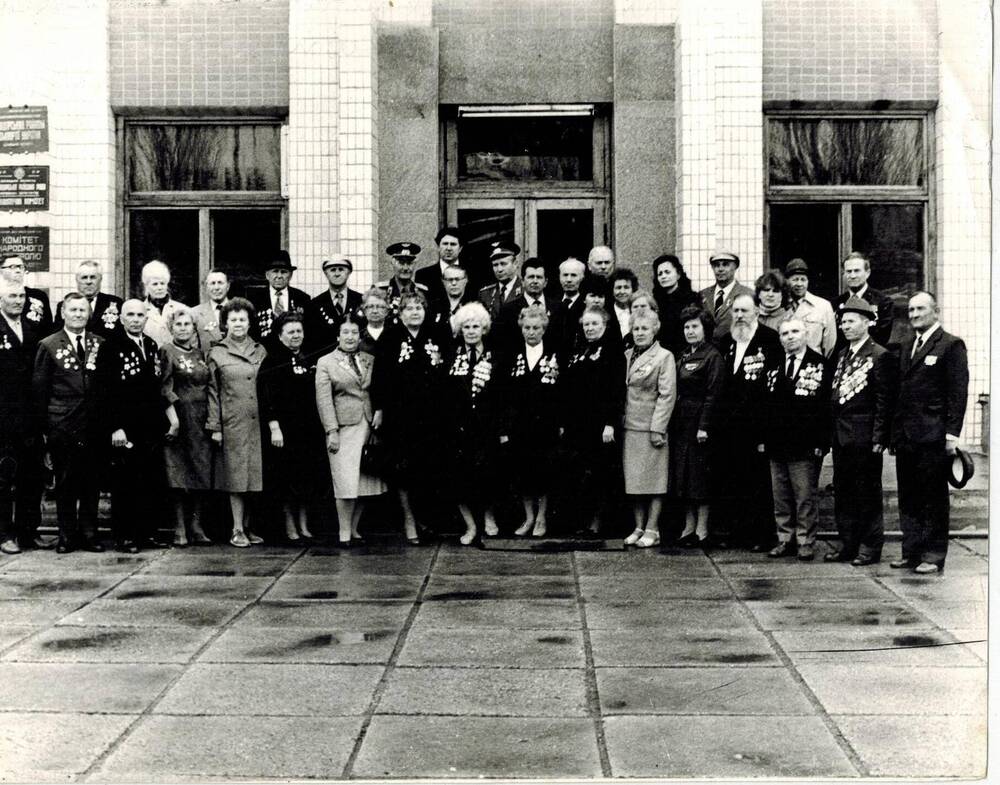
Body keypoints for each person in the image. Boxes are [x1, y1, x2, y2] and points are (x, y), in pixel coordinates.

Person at [890, 291, 968, 575]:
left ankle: (934, 555)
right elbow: (901, 392)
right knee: (908, 496)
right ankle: (911, 552)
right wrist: (894, 434)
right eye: (910, 310)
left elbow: (957, 393)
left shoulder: (950, 345)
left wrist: (951, 434)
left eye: (921, 309)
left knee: (933, 498)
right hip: (907, 437)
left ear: (936, 311)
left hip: (933, 436)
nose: (914, 314)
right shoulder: (908, 344)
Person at [371, 290, 448, 544]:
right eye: (409, 308)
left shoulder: (436, 335)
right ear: (400, 313)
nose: (415, 312)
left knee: (427, 468)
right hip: (400, 415)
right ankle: (408, 520)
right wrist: (380, 409)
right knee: (403, 469)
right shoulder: (390, 337)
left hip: (432, 415)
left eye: (419, 307)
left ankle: (424, 518)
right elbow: (380, 376)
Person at [32, 293, 106, 553]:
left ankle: (89, 533)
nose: (77, 314)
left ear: (89, 314)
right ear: (63, 312)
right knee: (65, 483)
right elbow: (40, 391)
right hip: (62, 425)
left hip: (92, 426)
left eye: (82, 310)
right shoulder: (49, 344)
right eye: (72, 310)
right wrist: (45, 429)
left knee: (91, 482)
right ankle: (66, 535)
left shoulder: (99, 343)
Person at [826, 296, 893, 566]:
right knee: (844, 493)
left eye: (851, 322)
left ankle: (870, 545)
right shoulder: (842, 355)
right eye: (842, 322)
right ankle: (849, 543)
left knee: (866, 493)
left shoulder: (879, 355)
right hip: (842, 437)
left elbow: (883, 401)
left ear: (867, 323)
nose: (845, 327)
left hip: (865, 438)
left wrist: (879, 438)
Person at [712, 293, 782, 550]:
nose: (739, 315)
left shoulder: (770, 340)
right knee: (732, 480)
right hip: (729, 426)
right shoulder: (726, 340)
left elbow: (773, 386)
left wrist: (767, 430)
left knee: (758, 483)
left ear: (756, 312)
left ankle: (761, 536)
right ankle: (735, 533)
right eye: (736, 311)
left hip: (756, 425)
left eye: (744, 310)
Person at [103, 299, 170, 552]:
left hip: (149, 426)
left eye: (139, 315)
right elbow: (106, 390)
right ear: (121, 318)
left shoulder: (151, 345)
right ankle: (125, 536)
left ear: (146, 318)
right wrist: (115, 426)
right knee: (125, 482)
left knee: (149, 481)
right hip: (125, 427)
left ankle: (146, 533)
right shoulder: (111, 346)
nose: (134, 319)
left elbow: (155, 387)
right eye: (129, 315)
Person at [762, 318, 831, 561]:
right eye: (784, 333)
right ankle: (784, 538)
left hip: (804, 444)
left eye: (794, 332)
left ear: (806, 334)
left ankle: (805, 540)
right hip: (777, 443)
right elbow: (765, 405)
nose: (789, 337)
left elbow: (824, 408)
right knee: (780, 495)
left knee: (804, 496)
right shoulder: (773, 364)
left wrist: (822, 443)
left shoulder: (820, 364)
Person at [258, 312, 328, 543]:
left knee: (307, 478)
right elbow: (266, 397)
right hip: (285, 430)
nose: (296, 336)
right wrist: (274, 427)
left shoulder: (309, 357)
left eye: (299, 331)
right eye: (290, 332)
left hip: (309, 428)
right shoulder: (273, 360)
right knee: (287, 479)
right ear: (279, 335)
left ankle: (304, 524)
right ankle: (290, 525)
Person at [315, 319, 386, 546]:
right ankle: (343, 533)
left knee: (364, 481)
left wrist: (379, 411)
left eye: (354, 332)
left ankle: (354, 529)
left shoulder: (369, 360)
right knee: (344, 481)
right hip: (343, 428)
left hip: (368, 425)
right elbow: (324, 400)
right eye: (345, 332)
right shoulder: (326, 362)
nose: (350, 337)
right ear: (337, 337)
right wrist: (331, 431)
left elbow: (379, 389)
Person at [206, 297, 268, 548]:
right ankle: (236, 529)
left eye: (243, 319)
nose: (238, 324)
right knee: (236, 478)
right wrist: (215, 426)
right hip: (233, 423)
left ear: (250, 322)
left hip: (258, 424)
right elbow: (212, 392)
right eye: (233, 320)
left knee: (254, 477)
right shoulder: (217, 353)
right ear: (225, 323)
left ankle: (250, 526)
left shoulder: (260, 350)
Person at [560, 305, 626, 536]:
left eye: (594, 324)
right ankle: (581, 520)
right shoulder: (578, 350)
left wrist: (610, 423)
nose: (589, 328)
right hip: (578, 422)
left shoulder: (613, 351)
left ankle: (597, 522)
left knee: (600, 473)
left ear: (605, 325)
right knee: (580, 471)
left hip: (601, 424)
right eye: (586, 324)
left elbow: (616, 389)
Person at [498, 305, 561, 538]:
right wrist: (504, 428)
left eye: (536, 328)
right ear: (521, 329)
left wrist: (560, 422)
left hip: (546, 425)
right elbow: (503, 394)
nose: (531, 332)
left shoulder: (555, 354)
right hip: (519, 426)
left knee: (544, 472)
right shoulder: (511, 354)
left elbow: (562, 392)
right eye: (527, 328)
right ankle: (529, 517)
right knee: (522, 472)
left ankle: (542, 517)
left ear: (544, 328)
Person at [445, 303, 502, 544]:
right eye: (466, 327)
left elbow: (502, 393)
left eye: (475, 326)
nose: (471, 331)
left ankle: (489, 519)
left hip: (487, 427)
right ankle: (469, 526)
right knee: (460, 479)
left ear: (484, 328)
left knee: (488, 476)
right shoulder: (451, 355)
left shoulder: (495, 355)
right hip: (459, 429)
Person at [670, 306, 725, 548]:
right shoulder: (683, 355)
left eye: (694, 326)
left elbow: (713, 394)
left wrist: (704, 426)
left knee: (699, 478)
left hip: (699, 424)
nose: (690, 331)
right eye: (686, 327)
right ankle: (688, 526)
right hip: (682, 423)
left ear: (705, 329)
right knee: (684, 477)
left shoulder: (712, 356)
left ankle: (702, 529)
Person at [621, 311, 676, 548]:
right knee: (634, 482)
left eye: (645, 328)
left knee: (654, 481)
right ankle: (639, 526)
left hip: (650, 428)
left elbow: (667, 395)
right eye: (636, 329)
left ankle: (653, 528)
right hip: (630, 427)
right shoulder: (626, 355)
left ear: (655, 329)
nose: (640, 333)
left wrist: (658, 428)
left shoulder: (664, 357)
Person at [160, 306, 213, 546]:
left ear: (194, 328)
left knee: (201, 472)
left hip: (201, 421)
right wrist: (173, 420)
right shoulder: (166, 352)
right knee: (178, 473)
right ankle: (179, 527)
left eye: (187, 324)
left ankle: (197, 525)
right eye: (178, 324)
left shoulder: (202, 354)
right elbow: (164, 387)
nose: (183, 328)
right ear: (171, 327)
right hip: (179, 420)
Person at [0, 280, 44, 554]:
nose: (18, 300)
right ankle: (5, 534)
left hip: (30, 418)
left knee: (32, 476)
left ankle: (29, 531)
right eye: (12, 296)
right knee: (4, 477)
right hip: (3, 418)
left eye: (21, 296)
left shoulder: (32, 330)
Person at [305, 254, 364, 359]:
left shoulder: (361, 300)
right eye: (332, 270)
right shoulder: (314, 304)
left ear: (349, 272)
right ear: (326, 273)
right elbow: (311, 341)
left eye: (341, 269)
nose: (337, 274)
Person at [247, 250, 310, 349]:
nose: (279, 276)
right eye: (275, 271)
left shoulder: (302, 298)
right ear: (267, 275)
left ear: (290, 275)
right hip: (264, 355)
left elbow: (308, 331)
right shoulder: (254, 299)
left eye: (283, 272)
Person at [835, 251, 895, 350]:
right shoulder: (836, 303)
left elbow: (882, 337)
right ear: (844, 274)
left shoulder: (883, 302)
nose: (853, 276)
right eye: (849, 271)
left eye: (857, 271)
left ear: (867, 273)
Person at [495, 258, 558, 352]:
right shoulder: (508, 310)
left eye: (539, 277)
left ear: (545, 282)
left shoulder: (559, 308)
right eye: (531, 277)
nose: (535, 281)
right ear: (522, 281)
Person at [54, 260, 124, 338]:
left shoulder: (115, 303)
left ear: (100, 279)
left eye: (93, 277)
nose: (88, 281)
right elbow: (58, 335)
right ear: (77, 280)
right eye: (84, 277)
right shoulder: (65, 304)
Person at [784, 258, 837, 358]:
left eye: (803, 279)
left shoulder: (823, 306)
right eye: (795, 279)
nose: (799, 284)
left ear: (808, 281)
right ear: (787, 281)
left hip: (813, 365)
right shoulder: (782, 305)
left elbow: (830, 345)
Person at [699, 250, 754, 343]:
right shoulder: (703, 295)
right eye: (716, 265)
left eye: (725, 264)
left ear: (735, 267)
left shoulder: (747, 294)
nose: (720, 269)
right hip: (707, 352)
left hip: (733, 349)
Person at [651, 254, 700, 357]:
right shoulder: (655, 301)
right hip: (661, 354)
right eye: (660, 274)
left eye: (667, 272)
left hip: (684, 353)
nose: (663, 276)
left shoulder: (692, 299)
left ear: (678, 274)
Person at [377, 242, 431, 326]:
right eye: (401, 263)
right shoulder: (380, 290)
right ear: (393, 263)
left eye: (409, 263)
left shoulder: (423, 291)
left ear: (414, 265)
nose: (405, 268)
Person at [139, 260, 188, 347]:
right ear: (146, 286)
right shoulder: (140, 310)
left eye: (162, 283)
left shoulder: (181, 309)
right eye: (155, 284)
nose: (159, 287)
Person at [1, 255, 52, 336]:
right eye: (12, 267)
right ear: (1, 270)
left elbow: (48, 329)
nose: (18, 270)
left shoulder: (38, 296)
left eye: (21, 267)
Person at [415, 227, 465, 308]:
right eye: (445, 244)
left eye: (453, 244)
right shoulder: (423, 275)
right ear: (438, 247)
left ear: (460, 248)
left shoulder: (472, 273)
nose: (448, 248)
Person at [478, 241, 523, 320]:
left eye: (503, 264)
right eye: (495, 265)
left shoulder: (525, 290)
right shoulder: (485, 294)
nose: (499, 269)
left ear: (515, 264)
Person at [554, 258, 587, 357]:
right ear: (559, 277)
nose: (568, 280)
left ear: (582, 278)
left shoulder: (586, 305)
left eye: (573, 275)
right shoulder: (552, 303)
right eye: (565, 275)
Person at [190, 268, 231, 349]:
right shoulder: (195, 313)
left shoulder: (240, 310)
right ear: (206, 287)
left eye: (220, 283)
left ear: (228, 286)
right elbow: (193, 351)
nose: (216, 287)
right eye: (212, 283)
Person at [435, 265, 476, 336]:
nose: (454, 283)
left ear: (466, 280)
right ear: (443, 281)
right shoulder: (434, 306)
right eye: (449, 280)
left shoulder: (475, 306)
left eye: (457, 279)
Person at [358, 288, 390, 354]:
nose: (375, 311)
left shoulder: (395, 335)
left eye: (380, 307)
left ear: (387, 311)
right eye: (370, 306)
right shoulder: (358, 336)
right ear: (364, 311)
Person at [610, 267, 639, 340]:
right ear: (612, 291)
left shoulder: (638, 310)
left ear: (633, 290)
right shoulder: (607, 312)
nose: (622, 292)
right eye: (618, 288)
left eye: (626, 287)